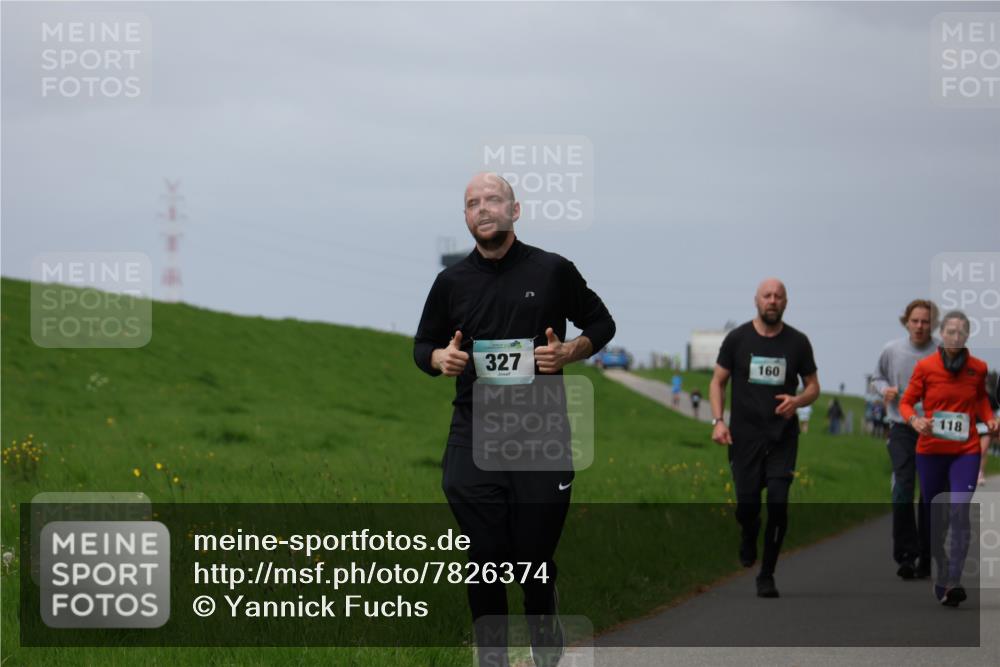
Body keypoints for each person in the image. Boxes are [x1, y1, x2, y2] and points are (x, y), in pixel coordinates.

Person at [413, 172, 615, 667]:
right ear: (466, 217)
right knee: (483, 560)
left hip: (542, 441)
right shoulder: (451, 283)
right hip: (474, 436)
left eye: (493, 200)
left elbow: (602, 322)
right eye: (472, 203)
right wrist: (441, 359)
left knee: (533, 563)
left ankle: (545, 642)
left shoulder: (552, 271)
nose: (483, 209)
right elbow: (422, 346)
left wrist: (571, 350)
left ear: (515, 210)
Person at [709, 278, 820, 598]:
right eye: (767, 296)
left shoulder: (798, 342)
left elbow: (813, 386)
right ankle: (748, 532)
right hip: (744, 437)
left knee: (778, 504)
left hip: (782, 437)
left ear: (786, 302)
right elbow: (718, 382)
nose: (772, 301)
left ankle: (766, 574)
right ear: (756, 300)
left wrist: (797, 401)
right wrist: (718, 421)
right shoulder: (738, 338)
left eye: (778, 296)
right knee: (747, 506)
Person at [900, 311, 998, 606]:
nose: (956, 336)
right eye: (951, 331)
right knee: (935, 516)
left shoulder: (977, 368)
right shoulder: (925, 367)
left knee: (959, 511)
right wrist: (915, 421)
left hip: (964, 451)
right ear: (942, 334)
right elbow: (906, 402)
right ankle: (942, 571)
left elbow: (980, 399)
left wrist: (990, 419)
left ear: (967, 336)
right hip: (931, 452)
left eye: (961, 331)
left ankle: (954, 580)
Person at [871, 299, 937, 580]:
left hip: (934, 430)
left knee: (930, 495)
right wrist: (884, 390)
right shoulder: (892, 350)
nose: (920, 326)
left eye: (925, 321)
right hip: (901, 427)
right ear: (906, 322)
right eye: (915, 321)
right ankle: (906, 555)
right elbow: (877, 377)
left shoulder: (943, 351)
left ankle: (926, 555)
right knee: (903, 489)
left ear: (932, 324)